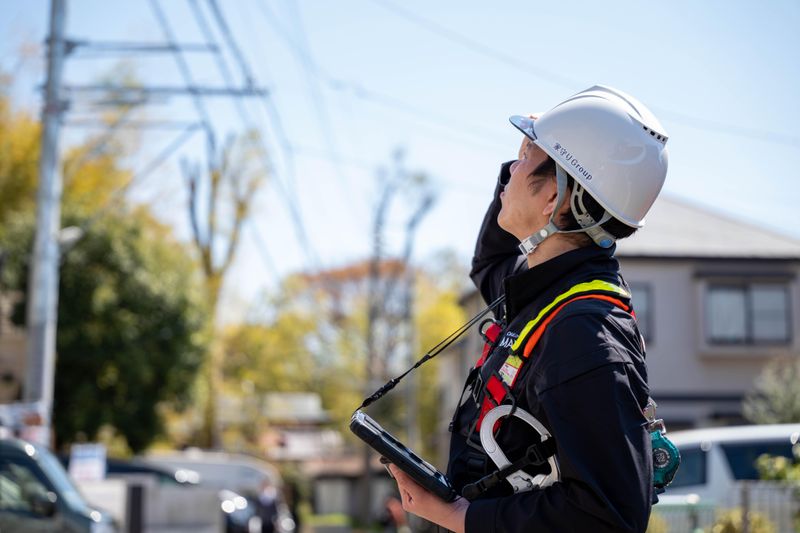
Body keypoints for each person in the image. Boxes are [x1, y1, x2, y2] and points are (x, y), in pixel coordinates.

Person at [387, 85, 669, 532]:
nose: (510, 171)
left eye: (522, 158)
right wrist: (542, 151)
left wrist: (463, 518)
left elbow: (609, 516)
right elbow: (492, 262)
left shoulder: (585, 333)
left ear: (552, 199)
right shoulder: (547, 292)